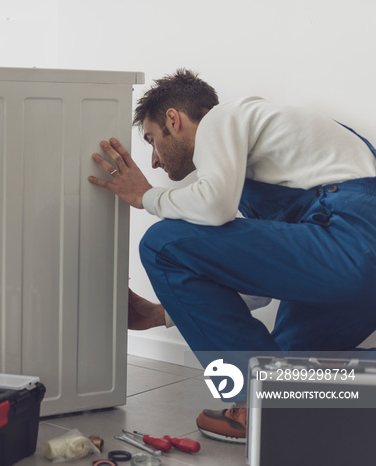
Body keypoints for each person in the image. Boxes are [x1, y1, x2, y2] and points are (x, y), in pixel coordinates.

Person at [88, 69, 376, 444]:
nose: (154, 162)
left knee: (164, 244)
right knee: (275, 374)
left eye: (152, 140)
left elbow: (212, 207)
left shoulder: (223, 118)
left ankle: (252, 404)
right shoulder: (262, 171)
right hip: (351, 271)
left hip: (351, 241)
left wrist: (145, 197)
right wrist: (162, 314)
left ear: (173, 120)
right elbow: (260, 289)